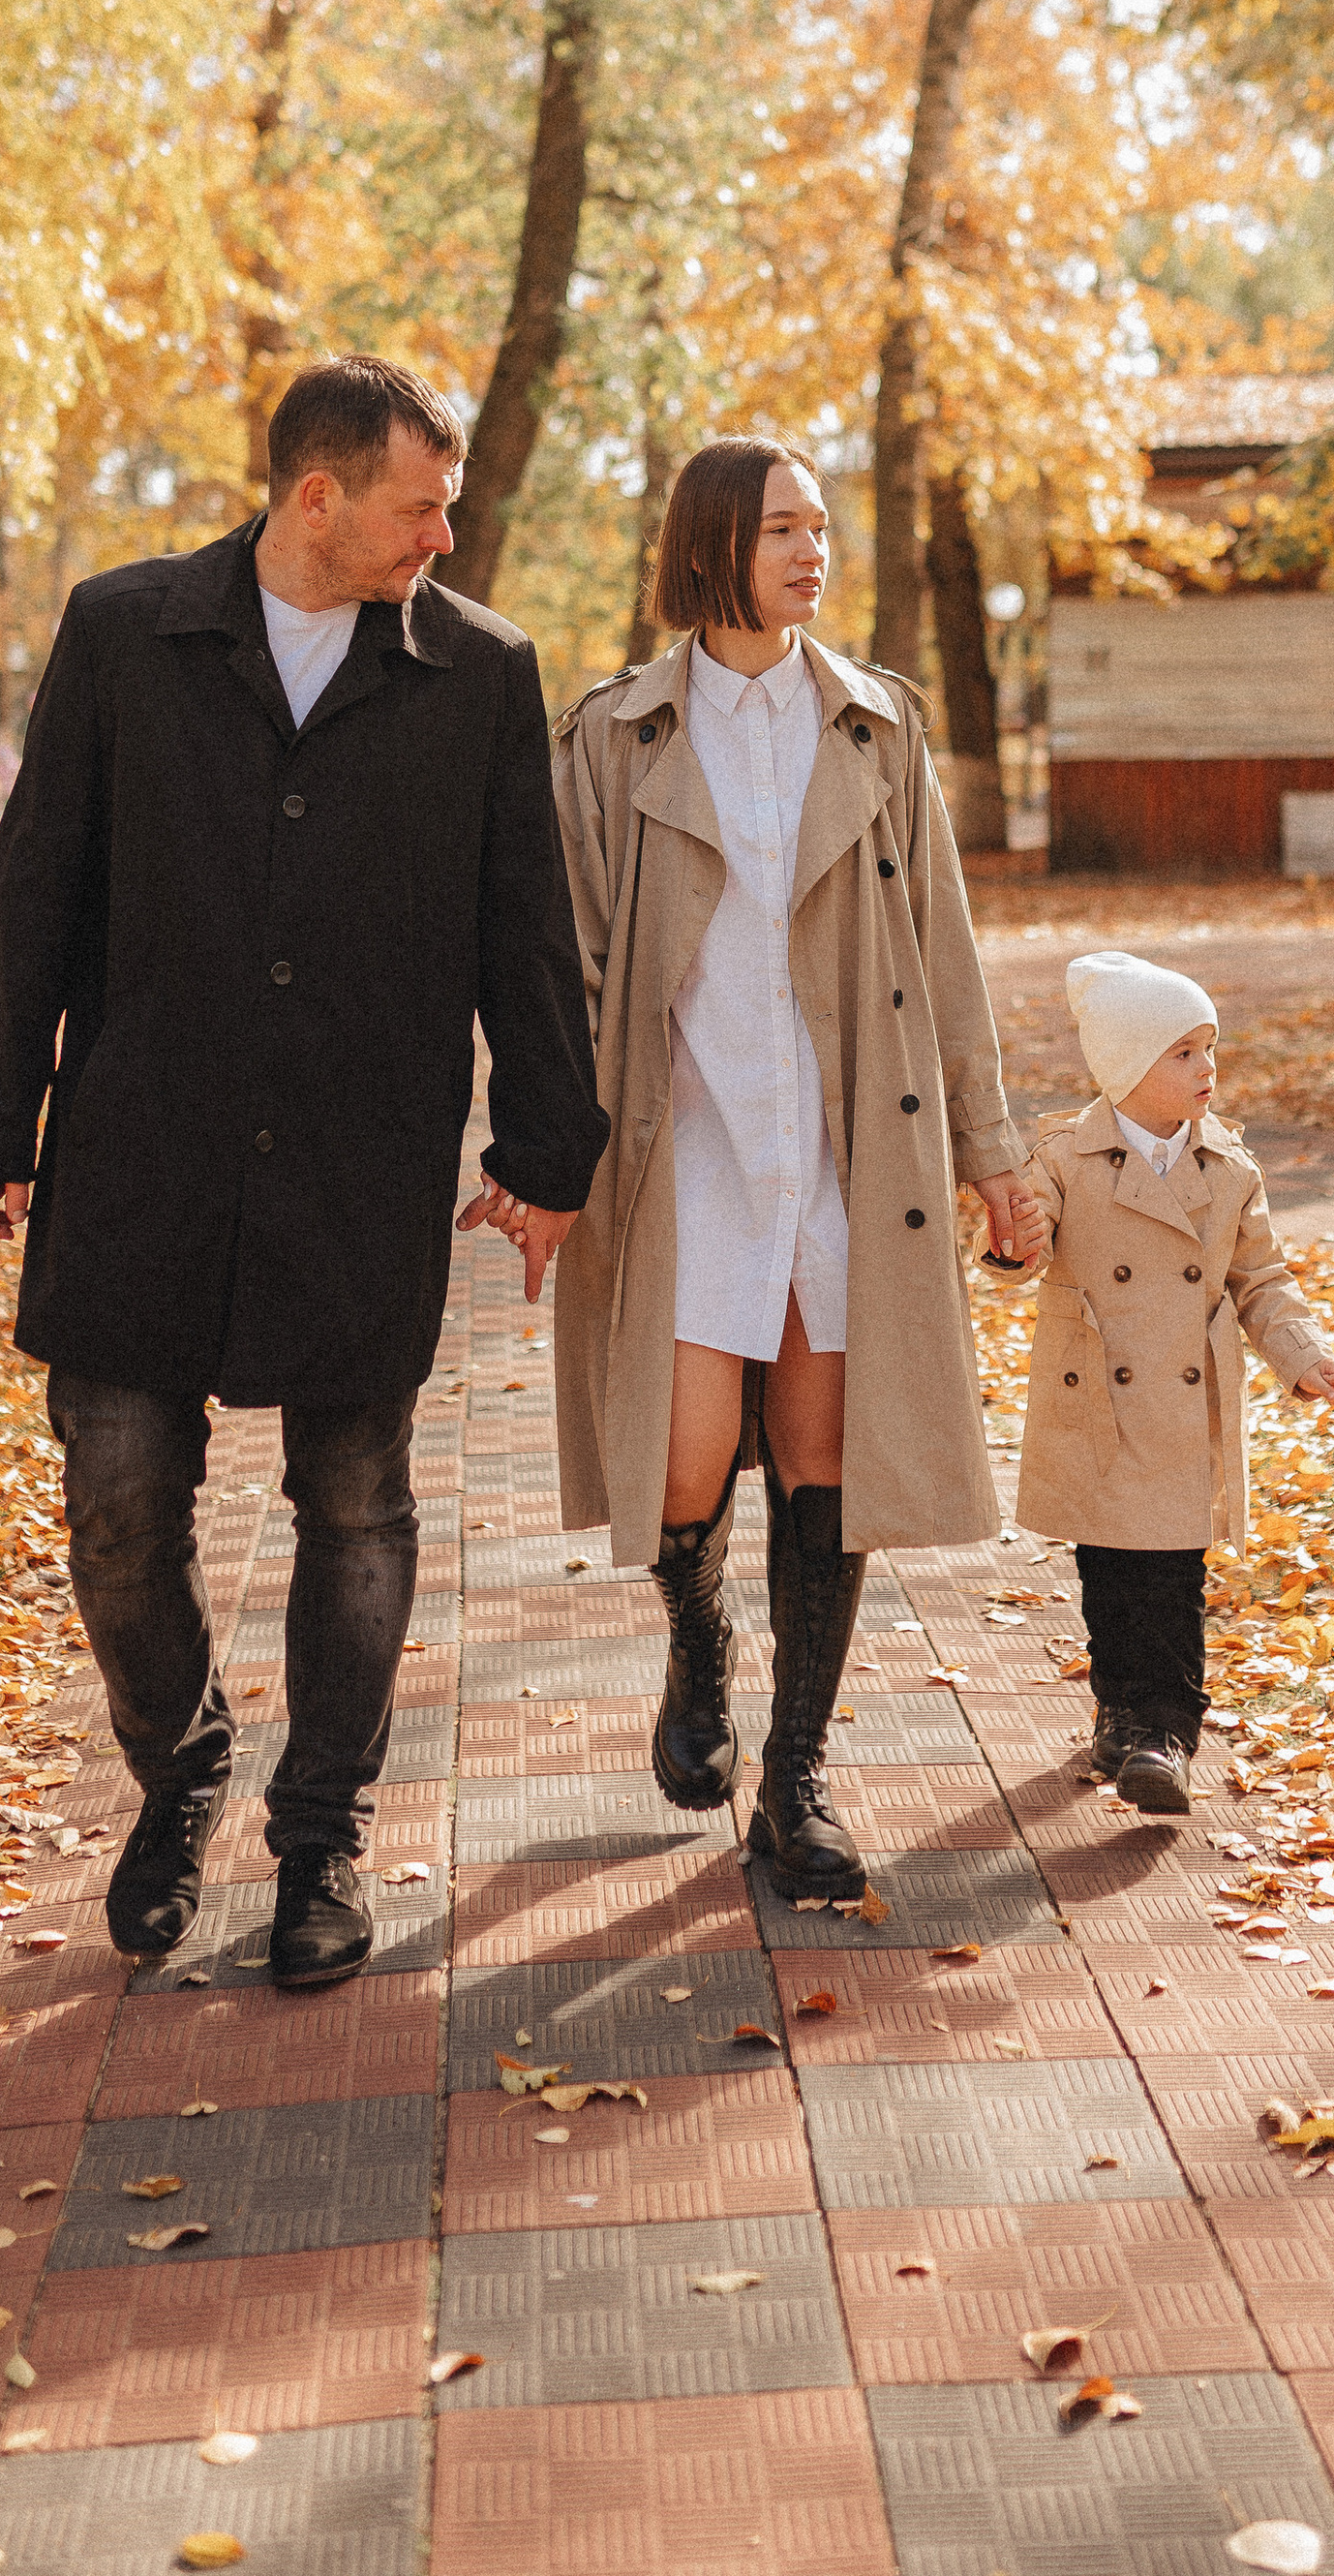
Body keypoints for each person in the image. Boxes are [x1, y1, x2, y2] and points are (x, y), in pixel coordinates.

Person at [0, 357, 607, 1987]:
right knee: (116, 1503)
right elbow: (35, 885)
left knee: (356, 1505)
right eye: (419, 506)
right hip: (140, 1156)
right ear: (319, 496)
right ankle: (179, 1772)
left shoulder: (479, 671)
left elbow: (525, 928)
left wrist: (546, 1155)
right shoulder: (124, 632)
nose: (443, 536)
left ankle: (320, 1842)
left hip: (359, 1160)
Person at [550, 437, 1044, 1899]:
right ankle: (698, 1637)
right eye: (781, 530)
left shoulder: (876, 725)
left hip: (845, 1145)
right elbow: (572, 965)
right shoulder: (614, 735)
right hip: (683, 1140)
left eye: (821, 529)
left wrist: (992, 1150)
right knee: (683, 1457)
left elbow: (944, 949)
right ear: (711, 544)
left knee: (827, 1457)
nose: (812, 553)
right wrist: (549, 1151)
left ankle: (798, 1779)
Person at [1008, 949, 1334, 1816]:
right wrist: (1016, 1237)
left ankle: (1166, 1732)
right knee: (1108, 1573)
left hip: (1181, 1407)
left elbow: (1260, 1277)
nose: (1208, 1068)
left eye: (1210, 1048)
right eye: (1184, 1052)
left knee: (1172, 1577)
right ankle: (1120, 1715)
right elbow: (1023, 1237)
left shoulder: (1229, 1167)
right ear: (1128, 1066)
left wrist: (1302, 1353)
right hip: (1097, 1398)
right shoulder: (1064, 1156)